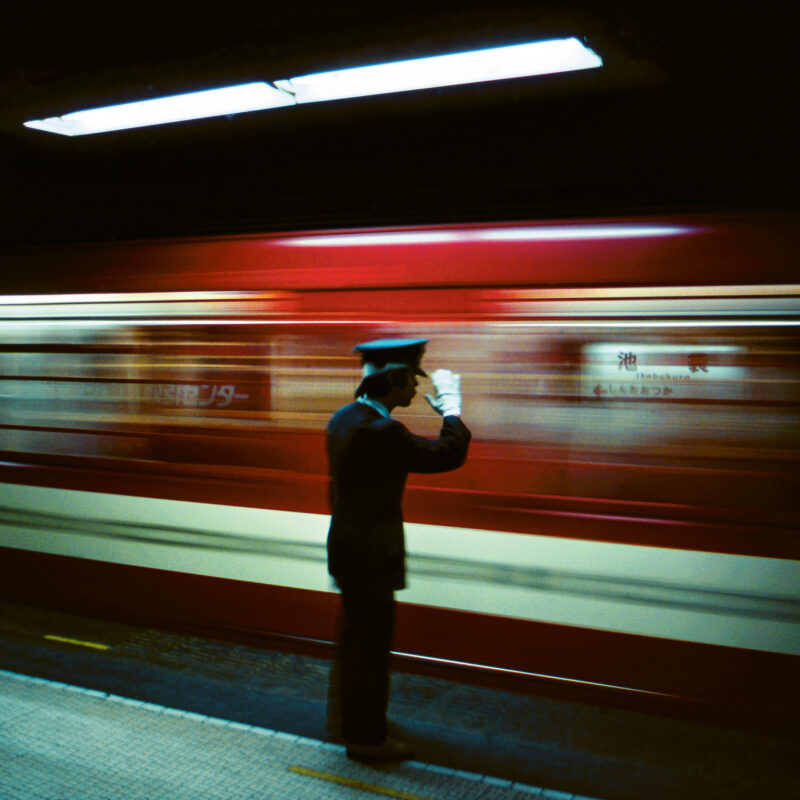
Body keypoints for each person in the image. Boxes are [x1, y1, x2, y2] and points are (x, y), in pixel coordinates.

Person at [326, 337, 471, 761]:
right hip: (373, 557)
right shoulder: (383, 432)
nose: (414, 390)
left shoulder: (343, 419)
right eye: (410, 381)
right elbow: (447, 453)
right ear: (393, 379)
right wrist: (451, 406)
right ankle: (368, 741)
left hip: (348, 550)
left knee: (354, 644)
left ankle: (350, 724)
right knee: (370, 652)